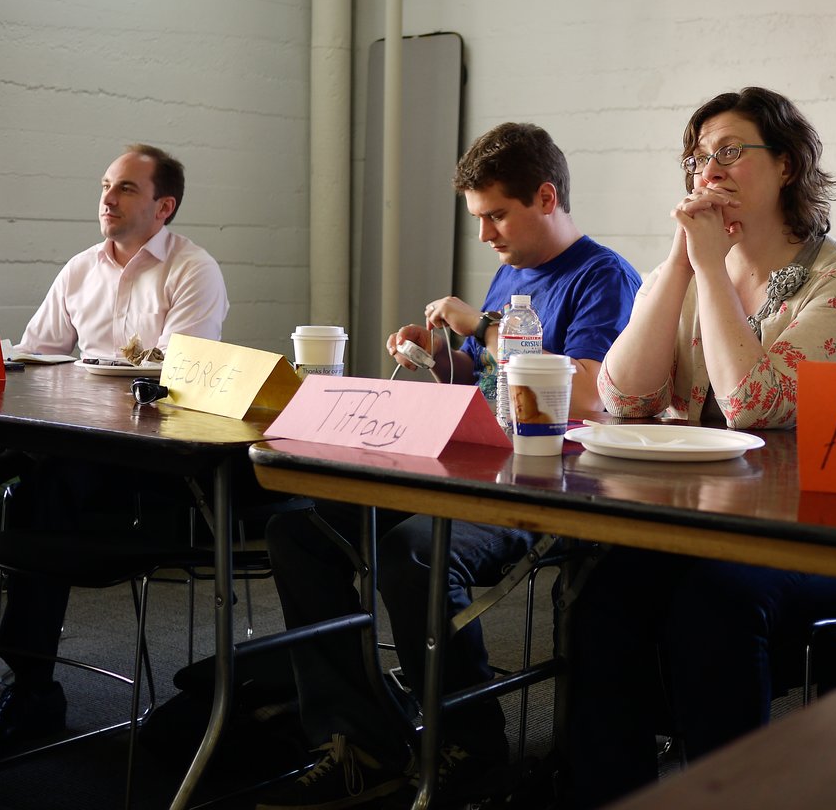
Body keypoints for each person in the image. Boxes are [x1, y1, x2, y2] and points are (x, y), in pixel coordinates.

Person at [259, 122, 641, 810]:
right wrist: (441, 357)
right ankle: (361, 739)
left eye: (497, 215)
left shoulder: (604, 277)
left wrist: (482, 327)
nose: (487, 234)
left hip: (555, 487)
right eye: (480, 219)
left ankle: (471, 745)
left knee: (416, 553)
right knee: (300, 532)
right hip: (481, 468)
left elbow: (590, 391)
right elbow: (494, 377)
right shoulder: (514, 268)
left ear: (546, 196)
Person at [565, 87, 836, 808]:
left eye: (732, 151)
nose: (711, 169)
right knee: (599, 596)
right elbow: (623, 397)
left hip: (813, 537)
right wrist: (682, 264)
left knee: (714, 608)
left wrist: (710, 269)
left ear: (787, 166)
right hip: (700, 524)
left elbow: (756, 405)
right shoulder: (683, 269)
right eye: (700, 156)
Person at [0, 144, 229, 750]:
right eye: (106, 185)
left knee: (39, 489)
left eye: (127, 189)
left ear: (163, 207)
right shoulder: (80, 268)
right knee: (18, 479)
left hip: (155, 463)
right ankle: (29, 681)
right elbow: (36, 356)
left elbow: (179, 376)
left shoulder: (193, 269)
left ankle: (31, 692)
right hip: (74, 446)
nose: (108, 198)